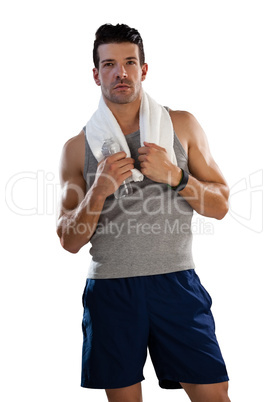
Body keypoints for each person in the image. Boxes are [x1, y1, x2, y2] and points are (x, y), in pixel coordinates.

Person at [56, 23, 231, 402]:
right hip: (112, 289)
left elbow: (221, 205)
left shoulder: (181, 125)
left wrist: (177, 176)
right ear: (96, 73)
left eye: (130, 63)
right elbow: (68, 239)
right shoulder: (76, 148)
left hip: (177, 284)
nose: (121, 73)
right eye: (109, 64)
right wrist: (99, 190)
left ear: (144, 69)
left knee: (214, 395)